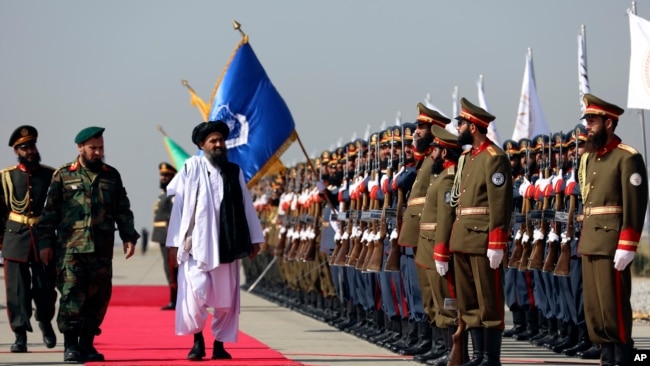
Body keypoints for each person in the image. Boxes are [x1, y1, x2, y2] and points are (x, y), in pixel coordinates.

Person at [35, 126, 140, 363]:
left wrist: (129, 237)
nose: (98, 152)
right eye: (93, 148)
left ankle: (87, 345)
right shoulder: (63, 175)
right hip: (71, 250)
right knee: (72, 297)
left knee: (98, 300)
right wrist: (44, 243)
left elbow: (122, 210)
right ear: (80, 148)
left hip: (101, 251)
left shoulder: (111, 175)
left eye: (101, 148)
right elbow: (49, 213)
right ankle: (70, 346)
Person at [165, 121, 264, 361]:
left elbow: (246, 206)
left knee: (225, 299)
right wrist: (174, 243)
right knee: (194, 294)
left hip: (227, 243)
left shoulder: (234, 171)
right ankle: (197, 341)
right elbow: (178, 208)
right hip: (195, 246)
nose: (218, 144)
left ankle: (219, 345)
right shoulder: (191, 167)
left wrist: (254, 238)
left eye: (220, 140)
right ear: (202, 145)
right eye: (213, 141)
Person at [577, 94, 648, 365]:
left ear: (608, 122)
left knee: (613, 307)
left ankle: (622, 358)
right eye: (588, 121)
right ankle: (607, 357)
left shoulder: (627, 158)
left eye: (593, 121)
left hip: (612, 244)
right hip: (591, 241)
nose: (588, 126)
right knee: (595, 309)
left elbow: (635, 204)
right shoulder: (591, 159)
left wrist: (627, 245)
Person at [449, 98, 513, 365]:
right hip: (463, 237)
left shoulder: (493, 158)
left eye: (461, 123)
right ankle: (477, 355)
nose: (458, 128)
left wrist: (497, 242)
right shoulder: (467, 158)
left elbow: (501, 202)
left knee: (489, 300)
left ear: (473, 127)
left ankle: (491, 357)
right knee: (469, 301)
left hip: (483, 238)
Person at [0, 125, 57, 352]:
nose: (30, 151)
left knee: (45, 289)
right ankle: (20, 335)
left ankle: (44, 321)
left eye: (32, 146)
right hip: (15, 239)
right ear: (16, 151)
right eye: (25, 148)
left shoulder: (50, 175)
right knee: (16, 291)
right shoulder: (6, 177)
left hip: (43, 239)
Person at [152, 162, 179, 310]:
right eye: (162, 175)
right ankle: (174, 299)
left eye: (166, 175)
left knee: (173, 271)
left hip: (169, 237)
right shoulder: (165, 194)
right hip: (162, 237)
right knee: (169, 271)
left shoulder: (173, 194)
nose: (163, 177)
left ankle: (175, 300)